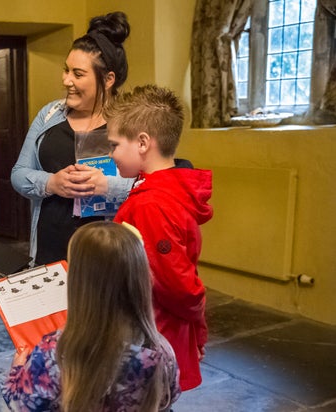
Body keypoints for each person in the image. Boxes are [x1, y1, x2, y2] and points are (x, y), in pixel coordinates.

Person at [2, 221, 181, 411]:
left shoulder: (54, 353)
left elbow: (19, 404)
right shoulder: (161, 350)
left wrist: (16, 371)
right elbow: (169, 398)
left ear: (77, 282)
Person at [106, 84, 213, 391]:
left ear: (142, 143)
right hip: (157, 332)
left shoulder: (151, 205)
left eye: (114, 145)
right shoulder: (163, 192)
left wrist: (198, 331)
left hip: (153, 337)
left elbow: (176, 285)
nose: (110, 154)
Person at [11, 11, 135, 266]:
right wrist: (52, 183)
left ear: (108, 79)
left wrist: (107, 185)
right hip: (49, 252)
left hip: (106, 260)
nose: (66, 80)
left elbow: (152, 185)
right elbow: (18, 173)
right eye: (66, 70)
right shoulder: (50, 114)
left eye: (77, 74)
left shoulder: (131, 123)